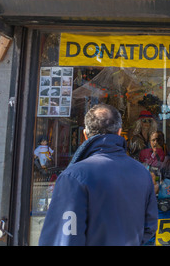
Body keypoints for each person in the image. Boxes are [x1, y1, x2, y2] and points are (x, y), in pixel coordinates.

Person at [38, 103, 158, 246]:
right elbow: (149, 227)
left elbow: (63, 239)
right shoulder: (142, 173)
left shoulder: (73, 177)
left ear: (85, 135)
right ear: (119, 132)